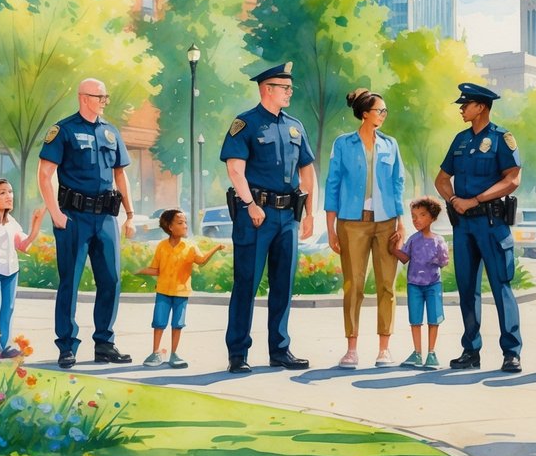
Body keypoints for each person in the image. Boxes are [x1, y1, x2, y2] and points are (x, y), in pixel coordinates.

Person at [220, 62, 317, 374]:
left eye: (290, 87)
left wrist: (309, 212)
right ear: (267, 90)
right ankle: (238, 353)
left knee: (283, 285)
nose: (289, 92)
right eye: (284, 87)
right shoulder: (245, 124)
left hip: (287, 215)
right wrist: (249, 204)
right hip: (255, 215)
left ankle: (280, 349)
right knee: (246, 283)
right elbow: (235, 168)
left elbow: (307, 170)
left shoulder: (295, 126)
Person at [38, 78, 136, 369]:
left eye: (106, 96)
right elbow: (45, 173)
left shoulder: (110, 131)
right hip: (74, 216)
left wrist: (129, 214)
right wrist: (55, 213)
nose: (105, 101)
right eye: (100, 96)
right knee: (70, 281)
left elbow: (121, 175)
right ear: (84, 97)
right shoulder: (63, 130)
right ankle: (67, 346)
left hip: (106, 217)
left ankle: (104, 343)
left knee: (112, 280)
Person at [434, 83, 524, 373]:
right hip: (464, 227)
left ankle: (511, 352)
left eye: (466, 104)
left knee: (501, 287)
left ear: (481, 107)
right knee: (466, 289)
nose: (462, 108)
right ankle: (470, 350)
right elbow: (441, 179)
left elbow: (512, 179)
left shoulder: (502, 138)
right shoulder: (460, 140)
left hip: (491, 223)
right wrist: (454, 200)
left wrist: (474, 200)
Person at [324, 88, 407, 370]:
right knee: (353, 286)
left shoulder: (390, 144)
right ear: (364, 113)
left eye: (385, 111)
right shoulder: (343, 144)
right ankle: (351, 349)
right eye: (379, 110)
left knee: (387, 285)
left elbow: (398, 184)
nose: (383, 115)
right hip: (351, 222)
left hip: (386, 223)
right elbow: (332, 185)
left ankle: (384, 349)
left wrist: (401, 222)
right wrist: (332, 229)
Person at [136, 209, 225, 369]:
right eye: (180, 223)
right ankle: (156, 352)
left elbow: (202, 261)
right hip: (162, 291)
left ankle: (174, 354)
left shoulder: (190, 247)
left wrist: (216, 248)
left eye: (185, 222)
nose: (185, 226)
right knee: (159, 323)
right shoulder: (162, 246)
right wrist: (138, 270)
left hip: (181, 293)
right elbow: (155, 269)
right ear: (170, 227)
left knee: (177, 324)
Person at [0, 179, 45, 360]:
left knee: (7, 308)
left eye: (10, 192)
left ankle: (4, 346)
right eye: (2, 193)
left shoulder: (12, 222)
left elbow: (23, 245)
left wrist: (35, 227)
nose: (9, 196)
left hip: (11, 271)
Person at [392, 197, 450, 370]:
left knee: (434, 318)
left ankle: (431, 353)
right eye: (414, 216)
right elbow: (404, 258)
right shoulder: (413, 239)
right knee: (415, 319)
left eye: (422, 215)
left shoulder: (438, 240)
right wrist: (394, 248)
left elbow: (444, 261)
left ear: (432, 218)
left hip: (433, 284)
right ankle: (417, 353)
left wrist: (440, 257)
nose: (417, 219)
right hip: (414, 285)